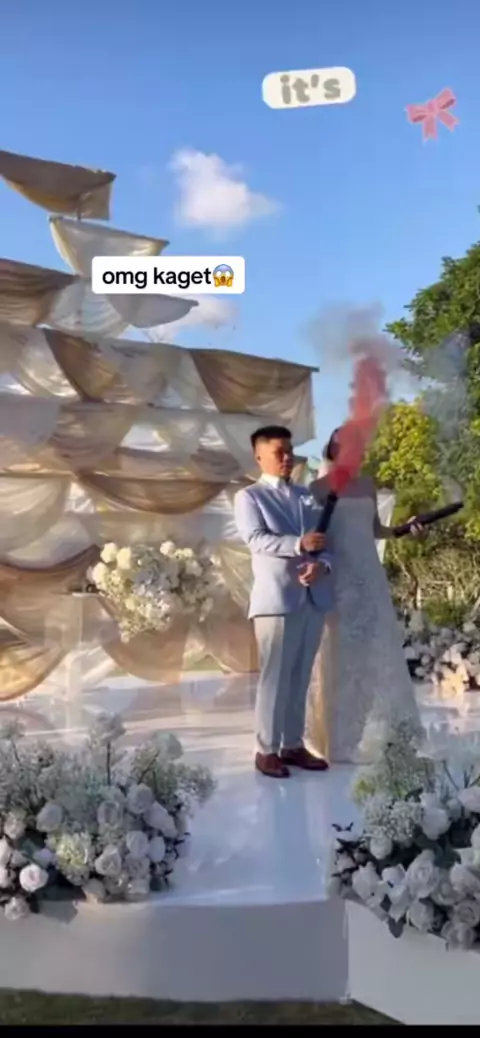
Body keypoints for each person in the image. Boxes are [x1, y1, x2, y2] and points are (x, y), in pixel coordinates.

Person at [306, 428, 423, 764]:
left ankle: (389, 733)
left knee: (378, 646)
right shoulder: (317, 489)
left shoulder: (368, 485)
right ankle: (340, 739)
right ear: (331, 448)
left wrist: (406, 528)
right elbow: (314, 537)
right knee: (341, 652)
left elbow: (376, 530)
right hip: (338, 578)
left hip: (370, 575)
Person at [234, 425, 333, 779]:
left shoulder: (308, 495)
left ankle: (292, 744)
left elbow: (326, 542)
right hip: (276, 599)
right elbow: (256, 539)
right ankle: (266, 750)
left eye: (290, 450)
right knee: (274, 678)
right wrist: (298, 544)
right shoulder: (250, 497)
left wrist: (322, 566)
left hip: (312, 597)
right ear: (259, 456)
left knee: (300, 676)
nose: (288, 457)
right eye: (279, 452)